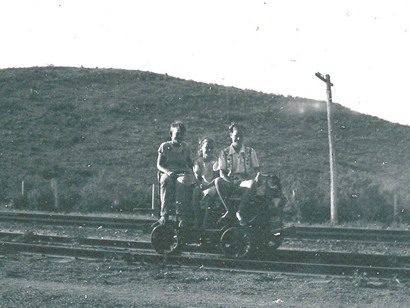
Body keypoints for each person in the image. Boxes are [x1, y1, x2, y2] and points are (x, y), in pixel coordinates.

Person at [214, 123, 261, 226]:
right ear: (231, 135)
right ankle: (229, 210)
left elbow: (257, 169)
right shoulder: (224, 152)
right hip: (229, 181)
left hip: (243, 182)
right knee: (218, 181)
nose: (238, 139)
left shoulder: (250, 151)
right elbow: (221, 172)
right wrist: (229, 181)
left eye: (241, 136)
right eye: (236, 136)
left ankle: (240, 211)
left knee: (252, 183)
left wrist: (258, 176)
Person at [156, 120, 195, 226]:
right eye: (177, 134)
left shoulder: (185, 147)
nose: (180, 137)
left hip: (181, 173)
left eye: (182, 134)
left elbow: (190, 163)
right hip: (168, 172)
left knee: (182, 183)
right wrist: (167, 172)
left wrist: (196, 170)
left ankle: (181, 215)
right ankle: (164, 215)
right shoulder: (164, 147)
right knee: (165, 181)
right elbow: (159, 165)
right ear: (171, 134)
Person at [192, 137, 218, 229]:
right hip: (202, 185)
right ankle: (197, 218)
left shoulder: (215, 162)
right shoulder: (198, 162)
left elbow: (216, 177)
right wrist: (200, 184)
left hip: (212, 185)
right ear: (201, 149)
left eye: (211, 148)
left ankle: (206, 222)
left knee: (208, 197)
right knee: (195, 193)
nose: (209, 150)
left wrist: (210, 184)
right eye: (207, 147)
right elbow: (197, 176)